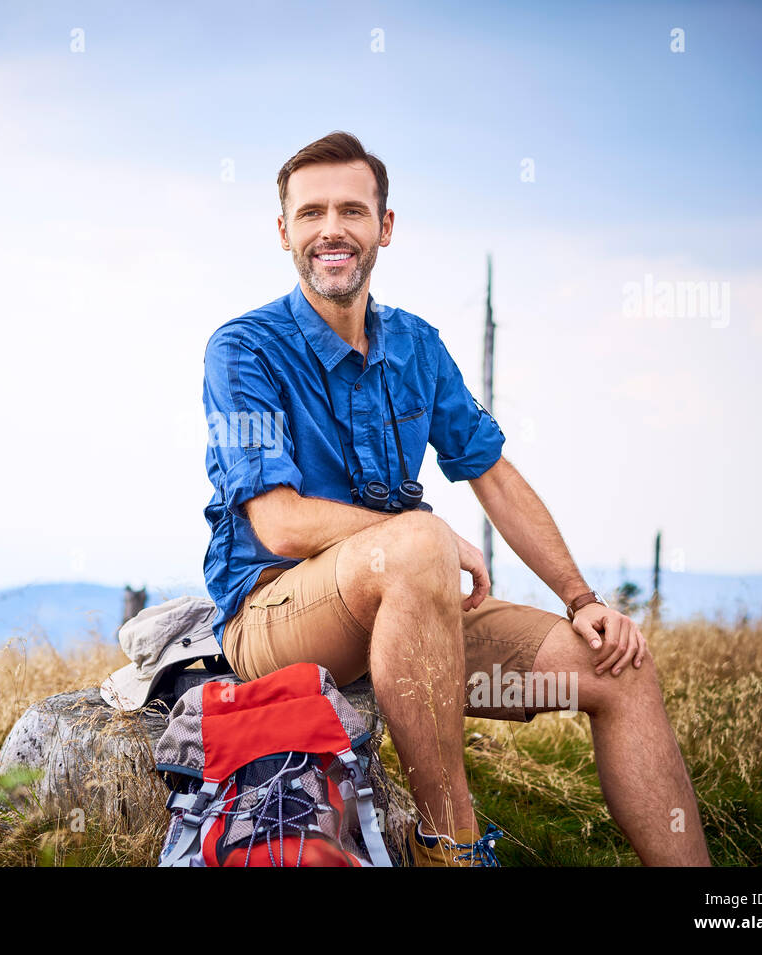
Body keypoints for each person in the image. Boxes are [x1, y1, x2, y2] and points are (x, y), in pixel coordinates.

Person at [200, 131, 710, 867]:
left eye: (352, 209)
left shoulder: (416, 346)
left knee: (621, 667)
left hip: (412, 613)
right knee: (417, 539)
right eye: (311, 213)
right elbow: (276, 521)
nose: (332, 229)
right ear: (284, 231)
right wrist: (416, 541)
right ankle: (456, 848)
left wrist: (581, 597)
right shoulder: (243, 349)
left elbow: (493, 473)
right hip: (279, 620)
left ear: (386, 226)